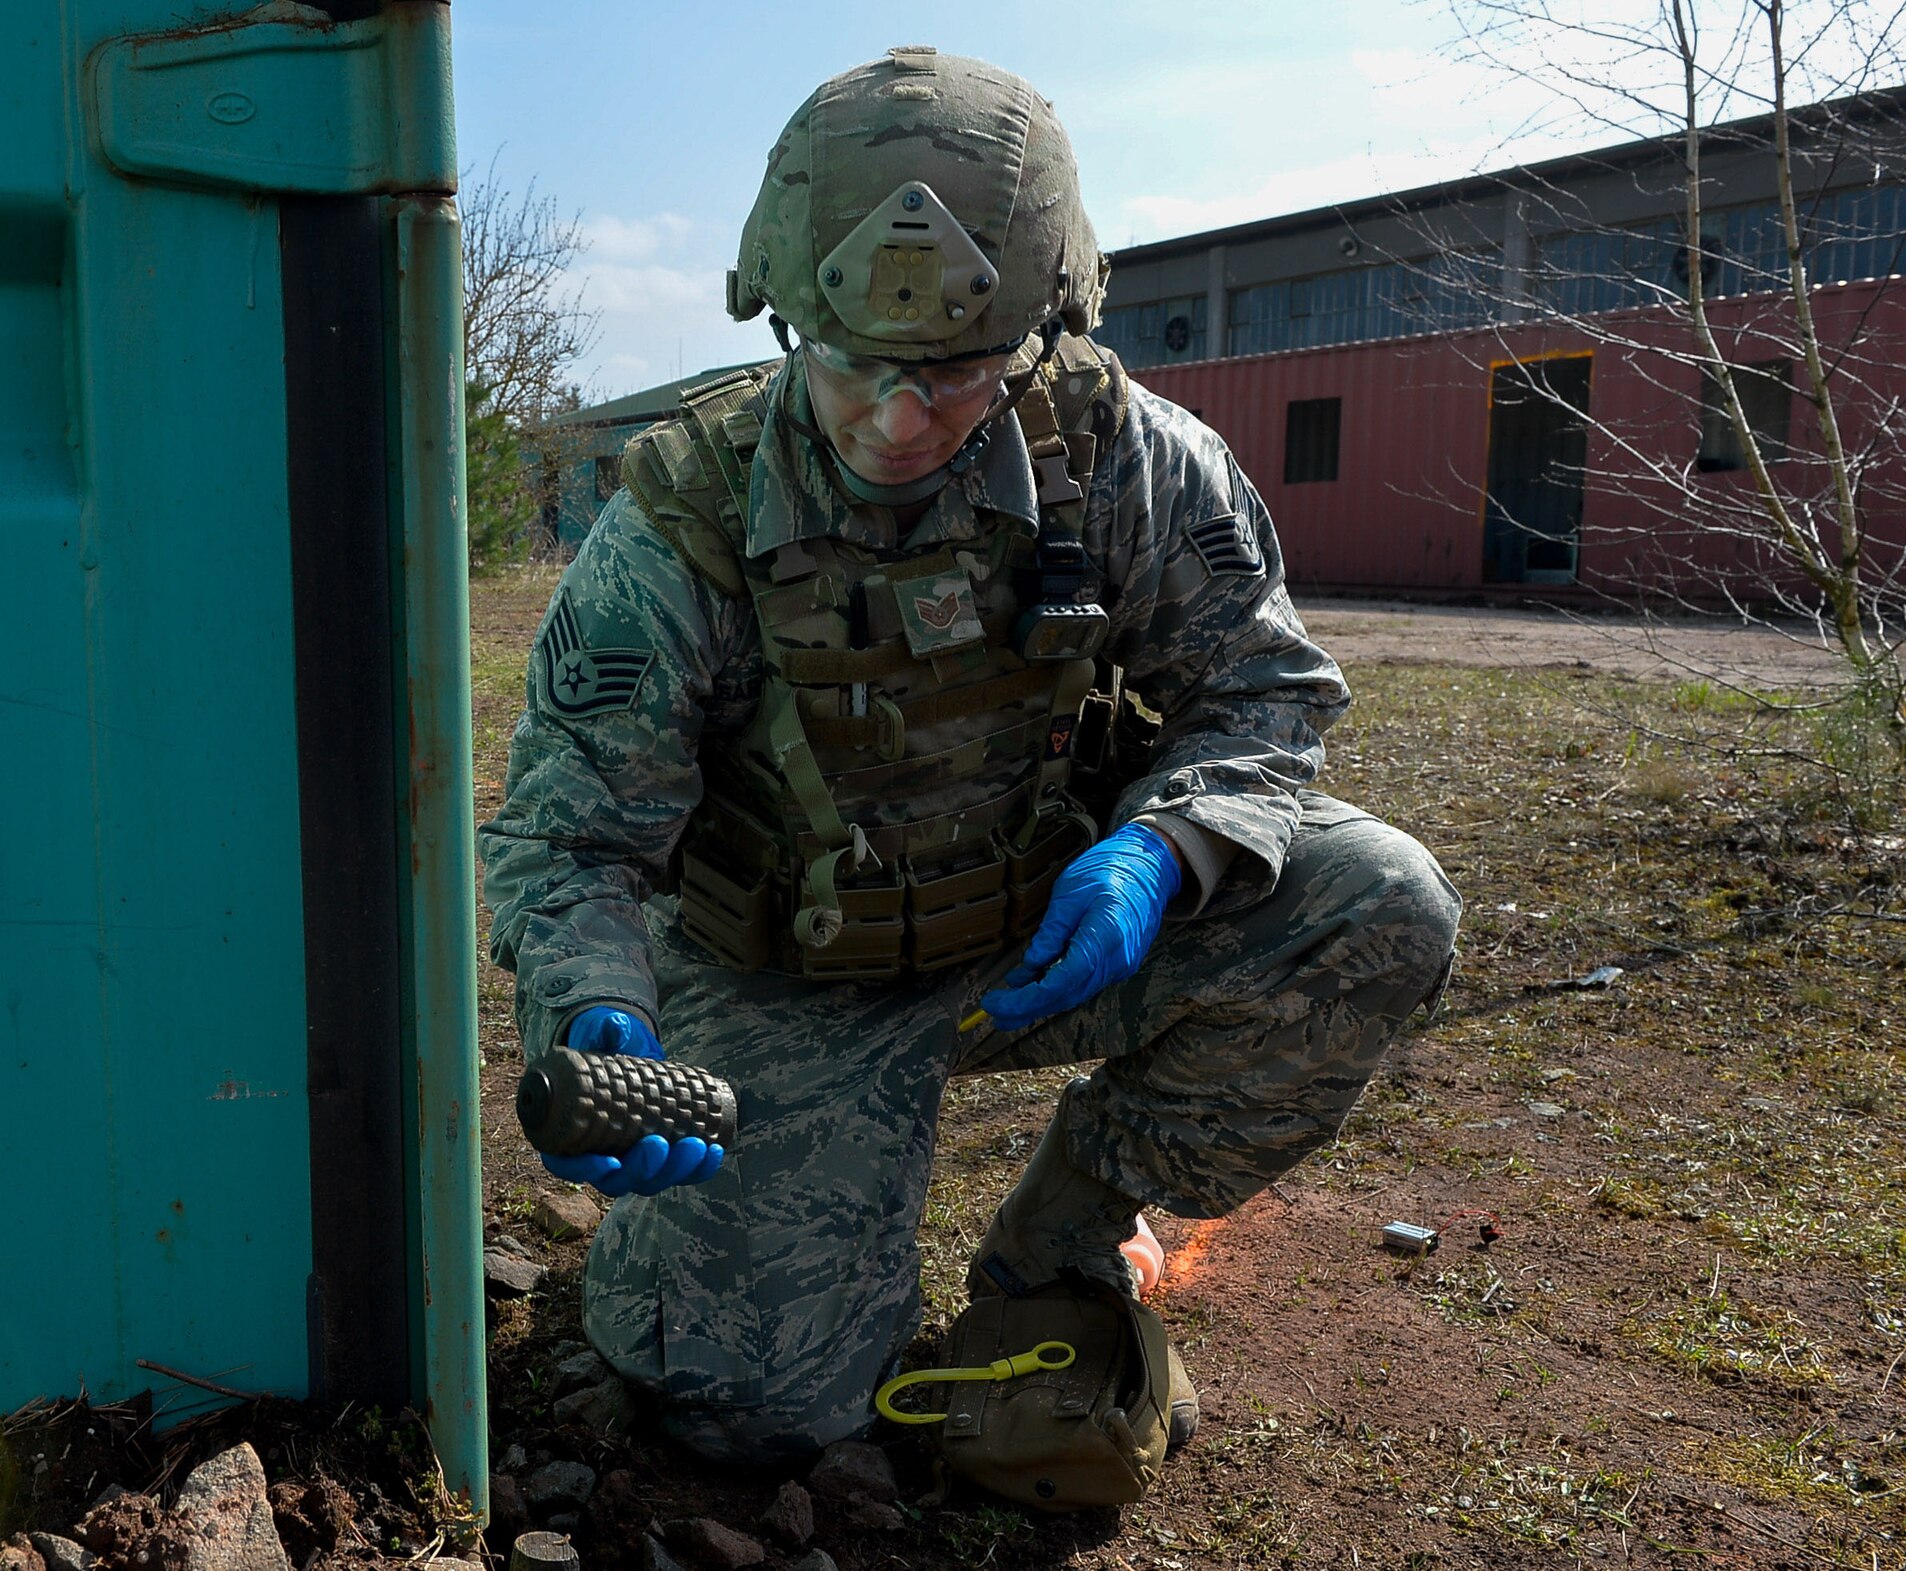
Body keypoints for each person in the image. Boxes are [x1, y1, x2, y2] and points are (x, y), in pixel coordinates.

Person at [480, 46, 1461, 1466]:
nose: (897, 419)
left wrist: (1162, 847)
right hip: (780, 985)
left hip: (1038, 936)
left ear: (1039, 334)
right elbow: (571, 837)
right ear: (782, 314)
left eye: (953, 372)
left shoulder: (1127, 459)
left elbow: (1265, 692)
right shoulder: (680, 520)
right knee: (751, 1424)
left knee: (1376, 904)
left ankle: (1065, 1237)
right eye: (850, 364)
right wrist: (591, 1014)